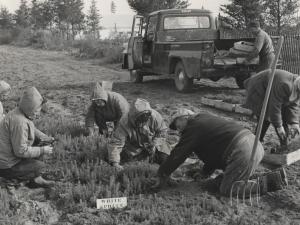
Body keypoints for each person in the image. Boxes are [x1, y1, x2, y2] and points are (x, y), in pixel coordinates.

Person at [151, 109, 288, 197]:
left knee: (228, 189)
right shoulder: (203, 119)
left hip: (242, 150)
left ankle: (270, 182)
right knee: (228, 178)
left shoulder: (193, 127)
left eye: (177, 124)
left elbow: (179, 153)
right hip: (254, 144)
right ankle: (252, 175)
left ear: (184, 117)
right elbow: (213, 152)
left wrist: (162, 173)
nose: (178, 129)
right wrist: (205, 172)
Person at [0, 87, 55, 187]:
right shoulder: (19, 123)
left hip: (8, 156)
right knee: (40, 167)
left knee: (41, 141)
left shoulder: (20, 112)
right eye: (37, 109)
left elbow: (31, 129)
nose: (39, 112)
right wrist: (42, 150)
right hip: (6, 165)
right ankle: (11, 181)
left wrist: (44, 137)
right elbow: (20, 151)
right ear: (30, 108)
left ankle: (35, 179)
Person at [108, 98, 171, 170]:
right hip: (134, 146)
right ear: (133, 117)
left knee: (165, 158)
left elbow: (162, 131)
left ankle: (153, 158)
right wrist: (115, 163)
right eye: (140, 121)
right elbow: (116, 142)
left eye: (145, 120)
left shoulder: (155, 116)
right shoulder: (124, 123)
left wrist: (154, 144)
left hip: (153, 143)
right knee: (127, 161)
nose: (143, 123)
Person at [244, 69, 300, 146]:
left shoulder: (296, 86)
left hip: (271, 90)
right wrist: (279, 126)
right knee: (264, 118)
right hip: (258, 89)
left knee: (282, 117)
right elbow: (274, 108)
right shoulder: (284, 84)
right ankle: (256, 144)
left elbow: (293, 104)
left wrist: (294, 123)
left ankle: (285, 145)